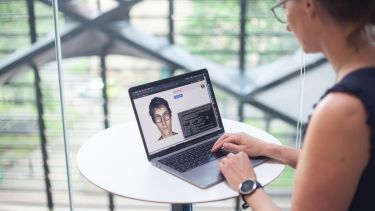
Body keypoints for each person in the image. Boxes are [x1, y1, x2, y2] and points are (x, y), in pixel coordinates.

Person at [211, 0, 375, 210]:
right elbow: (344, 164)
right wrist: (267, 148)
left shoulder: (342, 109)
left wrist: (246, 183)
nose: (287, 25)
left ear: (308, 5)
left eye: (285, 6)